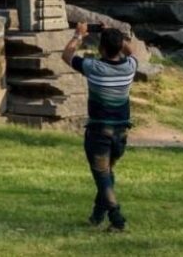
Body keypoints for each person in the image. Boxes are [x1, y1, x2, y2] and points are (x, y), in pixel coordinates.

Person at [62, 22, 138, 232]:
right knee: (107, 173)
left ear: (101, 49)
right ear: (119, 46)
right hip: (121, 133)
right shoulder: (130, 67)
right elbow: (130, 50)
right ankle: (97, 215)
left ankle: (117, 219)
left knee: (103, 176)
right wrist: (111, 33)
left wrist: (79, 35)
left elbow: (67, 55)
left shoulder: (94, 67)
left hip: (99, 132)